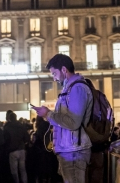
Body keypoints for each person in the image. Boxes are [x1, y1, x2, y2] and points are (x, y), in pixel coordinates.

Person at [33, 54, 93, 183]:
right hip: (69, 150)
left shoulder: (77, 88)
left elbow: (73, 122)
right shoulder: (69, 89)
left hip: (74, 152)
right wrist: (46, 115)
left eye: (54, 73)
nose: (54, 78)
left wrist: (48, 114)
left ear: (64, 70)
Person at [3, 112, 29, 183]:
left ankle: (16, 181)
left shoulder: (7, 127)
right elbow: (27, 138)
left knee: (14, 171)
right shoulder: (21, 126)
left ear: (10, 118)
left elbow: (5, 140)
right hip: (22, 149)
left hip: (12, 150)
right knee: (23, 169)